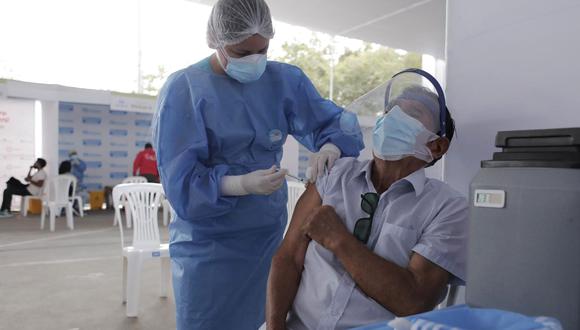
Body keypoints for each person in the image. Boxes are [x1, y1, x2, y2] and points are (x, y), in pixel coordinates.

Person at [153, 0, 364, 328]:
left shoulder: (283, 81)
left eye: (262, 50)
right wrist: (238, 184)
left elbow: (334, 123)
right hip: (208, 247)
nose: (254, 60)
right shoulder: (185, 90)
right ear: (217, 42)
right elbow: (180, 184)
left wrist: (331, 147)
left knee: (265, 319)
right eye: (240, 53)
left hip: (266, 237)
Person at [265, 71, 468, 330]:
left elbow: (414, 301)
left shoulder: (447, 209)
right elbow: (288, 257)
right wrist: (274, 325)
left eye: (413, 114)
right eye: (391, 111)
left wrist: (339, 240)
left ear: (436, 146)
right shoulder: (334, 175)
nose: (393, 119)